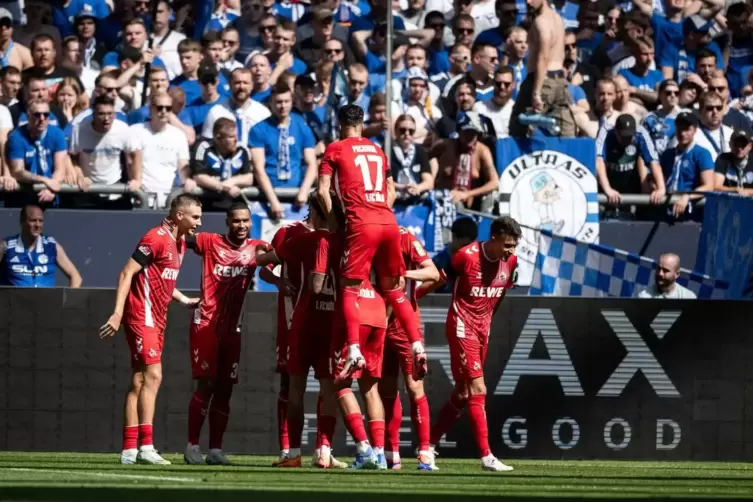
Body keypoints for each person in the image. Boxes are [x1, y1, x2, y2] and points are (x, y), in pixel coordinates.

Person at [316, 104, 427, 383]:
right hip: (388, 221)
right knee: (393, 287)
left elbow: (321, 191)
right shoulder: (378, 150)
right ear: (362, 125)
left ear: (341, 125)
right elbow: (391, 191)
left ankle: (354, 350)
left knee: (349, 288)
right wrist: (380, 213)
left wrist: (334, 222)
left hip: (360, 224)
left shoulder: (335, 148)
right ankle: (417, 344)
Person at [99, 194, 203, 466]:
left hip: (157, 318)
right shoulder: (155, 237)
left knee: (138, 381)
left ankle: (129, 450)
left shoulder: (178, 243)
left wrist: (183, 300)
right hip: (140, 315)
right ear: (179, 215)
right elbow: (126, 273)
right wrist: (117, 313)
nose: (198, 223)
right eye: (195, 217)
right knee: (154, 376)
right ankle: (146, 446)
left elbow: (161, 279)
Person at [254, 196, 346, 470]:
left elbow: (262, 260)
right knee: (331, 389)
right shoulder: (346, 242)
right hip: (332, 323)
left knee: (297, 388)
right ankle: (323, 451)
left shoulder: (300, 240)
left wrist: (260, 252)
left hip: (303, 321)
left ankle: (294, 451)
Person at [428, 216, 521, 472]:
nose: (511, 250)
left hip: (483, 329)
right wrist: (410, 298)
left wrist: (488, 319)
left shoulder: (511, 262)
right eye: (507, 245)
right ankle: (486, 457)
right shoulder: (465, 256)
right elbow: (439, 280)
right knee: (479, 388)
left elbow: (500, 294)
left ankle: (427, 447)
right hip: (461, 324)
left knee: (463, 393)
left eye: (514, 246)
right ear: (494, 239)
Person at [183, 202, 270, 466]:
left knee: (225, 390)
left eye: (245, 221)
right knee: (206, 385)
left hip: (234, 329)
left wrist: (281, 282)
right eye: (236, 221)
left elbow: (275, 260)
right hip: (206, 324)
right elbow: (177, 237)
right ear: (227, 223)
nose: (241, 226)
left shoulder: (257, 247)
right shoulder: (208, 242)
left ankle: (216, 450)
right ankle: (192, 447)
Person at [312, 211, 390, 470]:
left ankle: (363, 447)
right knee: (370, 388)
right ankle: (380, 453)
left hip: (350, 314)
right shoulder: (373, 238)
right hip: (378, 310)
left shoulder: (329, 241)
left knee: (340, 383)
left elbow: (317, 285)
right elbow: (395, 280)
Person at [258, 207, 316, 466]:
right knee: (289, 382)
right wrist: (280, 282)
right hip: (293, 318)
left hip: (326, 318)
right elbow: (263, 268)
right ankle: (287, 449)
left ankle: (324, 449)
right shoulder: (289, 233)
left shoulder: (337, 233)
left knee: (333, 384)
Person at [380, 227, 440, 471]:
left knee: (415, 387)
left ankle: (425, 452)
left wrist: (403, 273)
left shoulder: (404, 236)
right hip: (377, 321)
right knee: (386, 391)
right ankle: (391, 454)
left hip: (405, 325)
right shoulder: (363, 233)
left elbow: (433, 273)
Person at [509, 0, 574, 137]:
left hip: (542, 82)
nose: (528, 2)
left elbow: (543, 57)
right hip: (559, 82)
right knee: (566, 133)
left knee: (518, 127)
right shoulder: (558, 19)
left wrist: (536, 92)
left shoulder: (541, 22)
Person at [0, 203, 81, 287]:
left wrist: (69, 300)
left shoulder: (51, 245)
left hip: (46, 300)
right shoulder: (6, 245)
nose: (37, 225)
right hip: (14, 299)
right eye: (33, 220)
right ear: (22, 221)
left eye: (41, 221)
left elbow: (76, 277)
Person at [191, 118, 254, 209]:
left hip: (235, 206)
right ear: (218, 137)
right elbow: (199, 176)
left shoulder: (242, 150)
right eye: (231, 136)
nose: (236, 140)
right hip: (206, 205)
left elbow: (249, 178)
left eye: (236, 135)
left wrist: (231, 182)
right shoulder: (204, 148)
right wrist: (224, 187)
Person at [713, 130, 753, 195]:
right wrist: (734, 190)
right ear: (730, 145)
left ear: (750, 146)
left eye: (743, 145)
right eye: (736, 144)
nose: (739, 148)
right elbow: (716, 186)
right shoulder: (723, 159)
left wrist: (746, 192)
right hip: (728, 201)